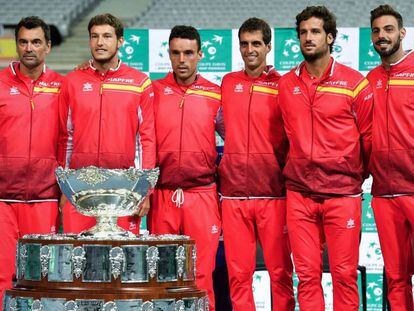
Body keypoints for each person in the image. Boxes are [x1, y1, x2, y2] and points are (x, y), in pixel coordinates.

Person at [277, 6, 373, 310]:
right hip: (299, 194)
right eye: (303, 32)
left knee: (344, 275)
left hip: (342, 193)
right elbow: (282, 138)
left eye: (315, 32)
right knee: (306, 276)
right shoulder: (286, 84)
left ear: (330, 37)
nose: (308, 38)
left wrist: (351, 173)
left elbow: (368, 138)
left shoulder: (356, 83)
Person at [218, 18, 294, 311]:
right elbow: (226, 127)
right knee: (239, 275)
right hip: (234, 195)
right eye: (245, 44)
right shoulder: (228, 82)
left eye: (257, 44)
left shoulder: (284, 85)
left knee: (280, 274)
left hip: (273, 194)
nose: (250, 50)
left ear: (268, 47)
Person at [58, 13, 156, 234]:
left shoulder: (139, 82)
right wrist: (65, 187)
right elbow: (66, 137)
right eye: (94, 36)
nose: (100, 42)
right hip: (80, 191)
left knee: (119, 266)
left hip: (123, 192)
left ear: (120, 41)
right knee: (78, 266)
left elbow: (146, 139)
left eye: (107, 36)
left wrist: (144, 191)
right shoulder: (72, 81)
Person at [147, 25, 222, 310]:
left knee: (201, 275)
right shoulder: (153, 91)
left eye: (188, 53)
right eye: (176, 52)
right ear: (168, 54)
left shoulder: (216, 94)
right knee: (162, 275)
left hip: (202, 194)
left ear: (200, 55)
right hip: (162, 195)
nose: (182, 59)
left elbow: (239, 138)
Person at [0, 16, 62, 308]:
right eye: (23, 42)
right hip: (3, 197)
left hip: (44, 197)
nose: (29, 48)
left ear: (47, 47)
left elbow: (68, 139)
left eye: (36, 42)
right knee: (2, 275)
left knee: (41, 278)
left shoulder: (63, 87)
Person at [367, 5, 414, 310]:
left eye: (388, 29)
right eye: (376, 30)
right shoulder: (369, 79)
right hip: (384, 193)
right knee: (396, 277)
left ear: (402, 33)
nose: (381, 36)